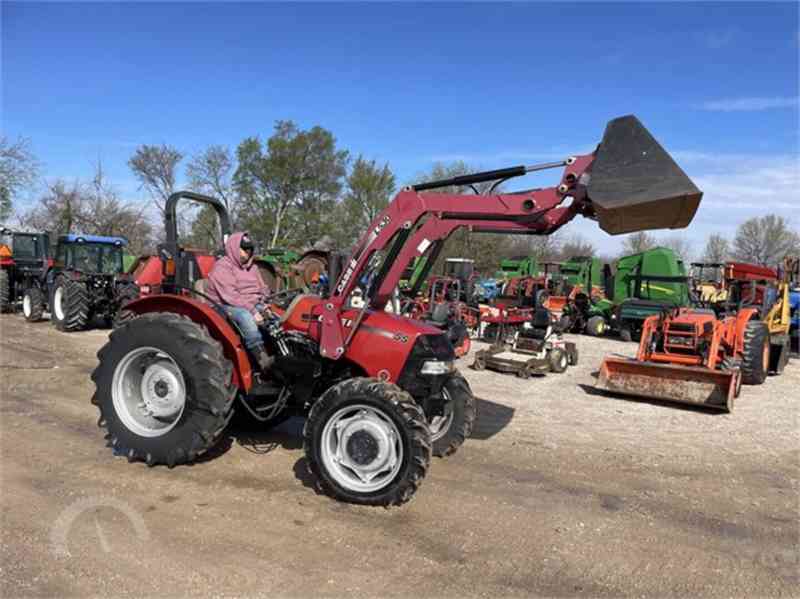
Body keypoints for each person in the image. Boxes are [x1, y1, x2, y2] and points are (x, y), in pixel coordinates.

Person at [206, 232, 273, 372]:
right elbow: (230, 296)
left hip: (248, 302)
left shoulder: (253, 267)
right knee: (245, 317)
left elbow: (261, 287)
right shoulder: (222, 267)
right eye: (243, 249)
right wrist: (254, 311)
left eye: (249, 250)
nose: (247, 253)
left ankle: (280, 351)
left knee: (275, 316)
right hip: (223, 305)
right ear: (233, 248)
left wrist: (266, 301)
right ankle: (262, 359)